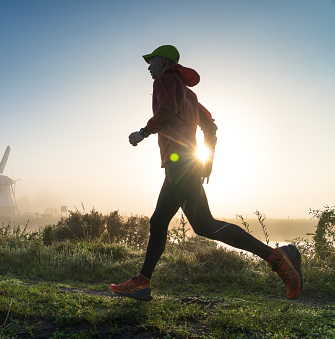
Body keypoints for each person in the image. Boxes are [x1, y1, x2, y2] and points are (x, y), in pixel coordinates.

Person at [109, 45, 303, 301]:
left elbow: (166, 113)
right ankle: (142, 283)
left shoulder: (165, 80)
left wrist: (142, 133)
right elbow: (210, 127)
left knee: (204, 225)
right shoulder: (190, 95)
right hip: (184, 164)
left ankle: (277, 257)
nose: (148, 66)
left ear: (164, 61)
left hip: (179, 165)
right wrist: (207, 161)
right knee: (158, 222)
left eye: (151, 60)